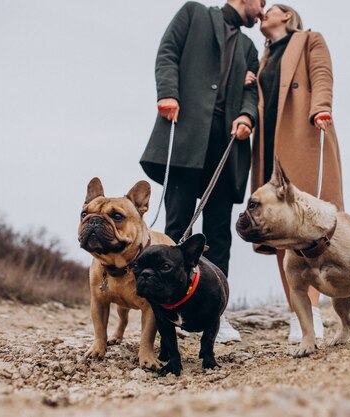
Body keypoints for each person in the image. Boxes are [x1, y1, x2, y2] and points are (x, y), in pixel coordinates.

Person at [140, 0, 266, 342]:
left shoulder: (249, 47)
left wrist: (247, 115)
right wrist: (167, 93)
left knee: (218, 233)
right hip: (186, 134)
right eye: (261, 2)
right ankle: (167, 310)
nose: (262, 10)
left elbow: (250, 91)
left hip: (227, 143)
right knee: (177, 225)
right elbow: (167, 52)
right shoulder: (193, 13)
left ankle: (216, 312)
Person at [249, 4, 345, 342]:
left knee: (309, 223)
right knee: (277, 227)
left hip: (304, 135)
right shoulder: (263, 60)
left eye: (270, 8)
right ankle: (298, 312)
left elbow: (321, 74)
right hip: (270, 148)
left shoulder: (308, 40)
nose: (262, 12)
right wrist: (250, 82)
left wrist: (321, 108)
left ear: (286, 16)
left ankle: (315, 311)